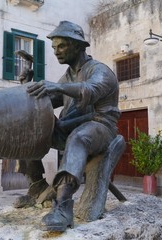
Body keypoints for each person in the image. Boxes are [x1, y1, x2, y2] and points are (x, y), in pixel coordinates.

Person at [19, 20, 121, 232]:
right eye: (54, 47)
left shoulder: (100, 71)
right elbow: (46, 101)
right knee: (28, 128)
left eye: (62, 46)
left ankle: (63, 208)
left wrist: (57, 86)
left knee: (78, 137)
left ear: (78, 46)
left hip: (101, 126)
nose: (56, 52)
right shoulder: (67, 76)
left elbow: (89, 90)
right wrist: (27, 85)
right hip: (70, 126)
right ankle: (36, 186)